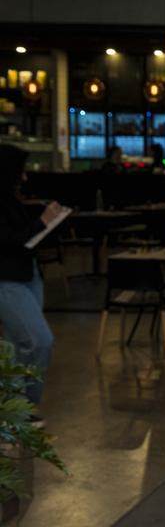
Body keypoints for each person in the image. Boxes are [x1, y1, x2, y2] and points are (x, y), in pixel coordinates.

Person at [0, 146, 59, 417]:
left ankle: (14, 411)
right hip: (8, 280)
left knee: (15, 345)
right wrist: (42, 222)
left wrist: (45, 223)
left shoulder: (11, 199)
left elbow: (22, 238)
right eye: (20, 172)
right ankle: (26, 403)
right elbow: (11, 242)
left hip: (27, 275)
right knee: (39, 341)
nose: (24, 178)